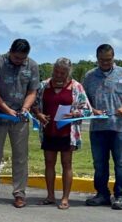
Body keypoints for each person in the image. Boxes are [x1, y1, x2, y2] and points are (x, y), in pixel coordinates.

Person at [82, 44, 122, 210]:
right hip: (98, 128)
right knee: (99, 164)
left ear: (113, 57)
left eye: (108, 59)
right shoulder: (90, 76)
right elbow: (83, 99)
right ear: (97, 58)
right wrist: (93, 110)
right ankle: (102, 194)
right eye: (102, 60)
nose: (105, 63)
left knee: (121, 163)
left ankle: (121, 196)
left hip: (120, 127)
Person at [0, 39, 40, 208]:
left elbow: (32, 91)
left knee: (20, 157)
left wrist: (25, 107)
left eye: (22, 59)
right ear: (10, 51)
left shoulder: (32, 66)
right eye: (16, 58)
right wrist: (6, 110)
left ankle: (19, 193)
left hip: (20, 119)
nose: (19, 61)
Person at [33, 58, 92, 210]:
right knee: (49, 163)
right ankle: (50, 196)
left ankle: (65, 198)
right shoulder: (44, 85)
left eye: (62, 73)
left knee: (66, 164)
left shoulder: (76, 87)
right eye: (56, 72)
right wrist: (38, 114)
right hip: (49, 130)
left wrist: (74, 114)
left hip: (67, 131)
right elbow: (34, 104)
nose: (58, 75)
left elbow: (87, 109)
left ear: (68, 72)